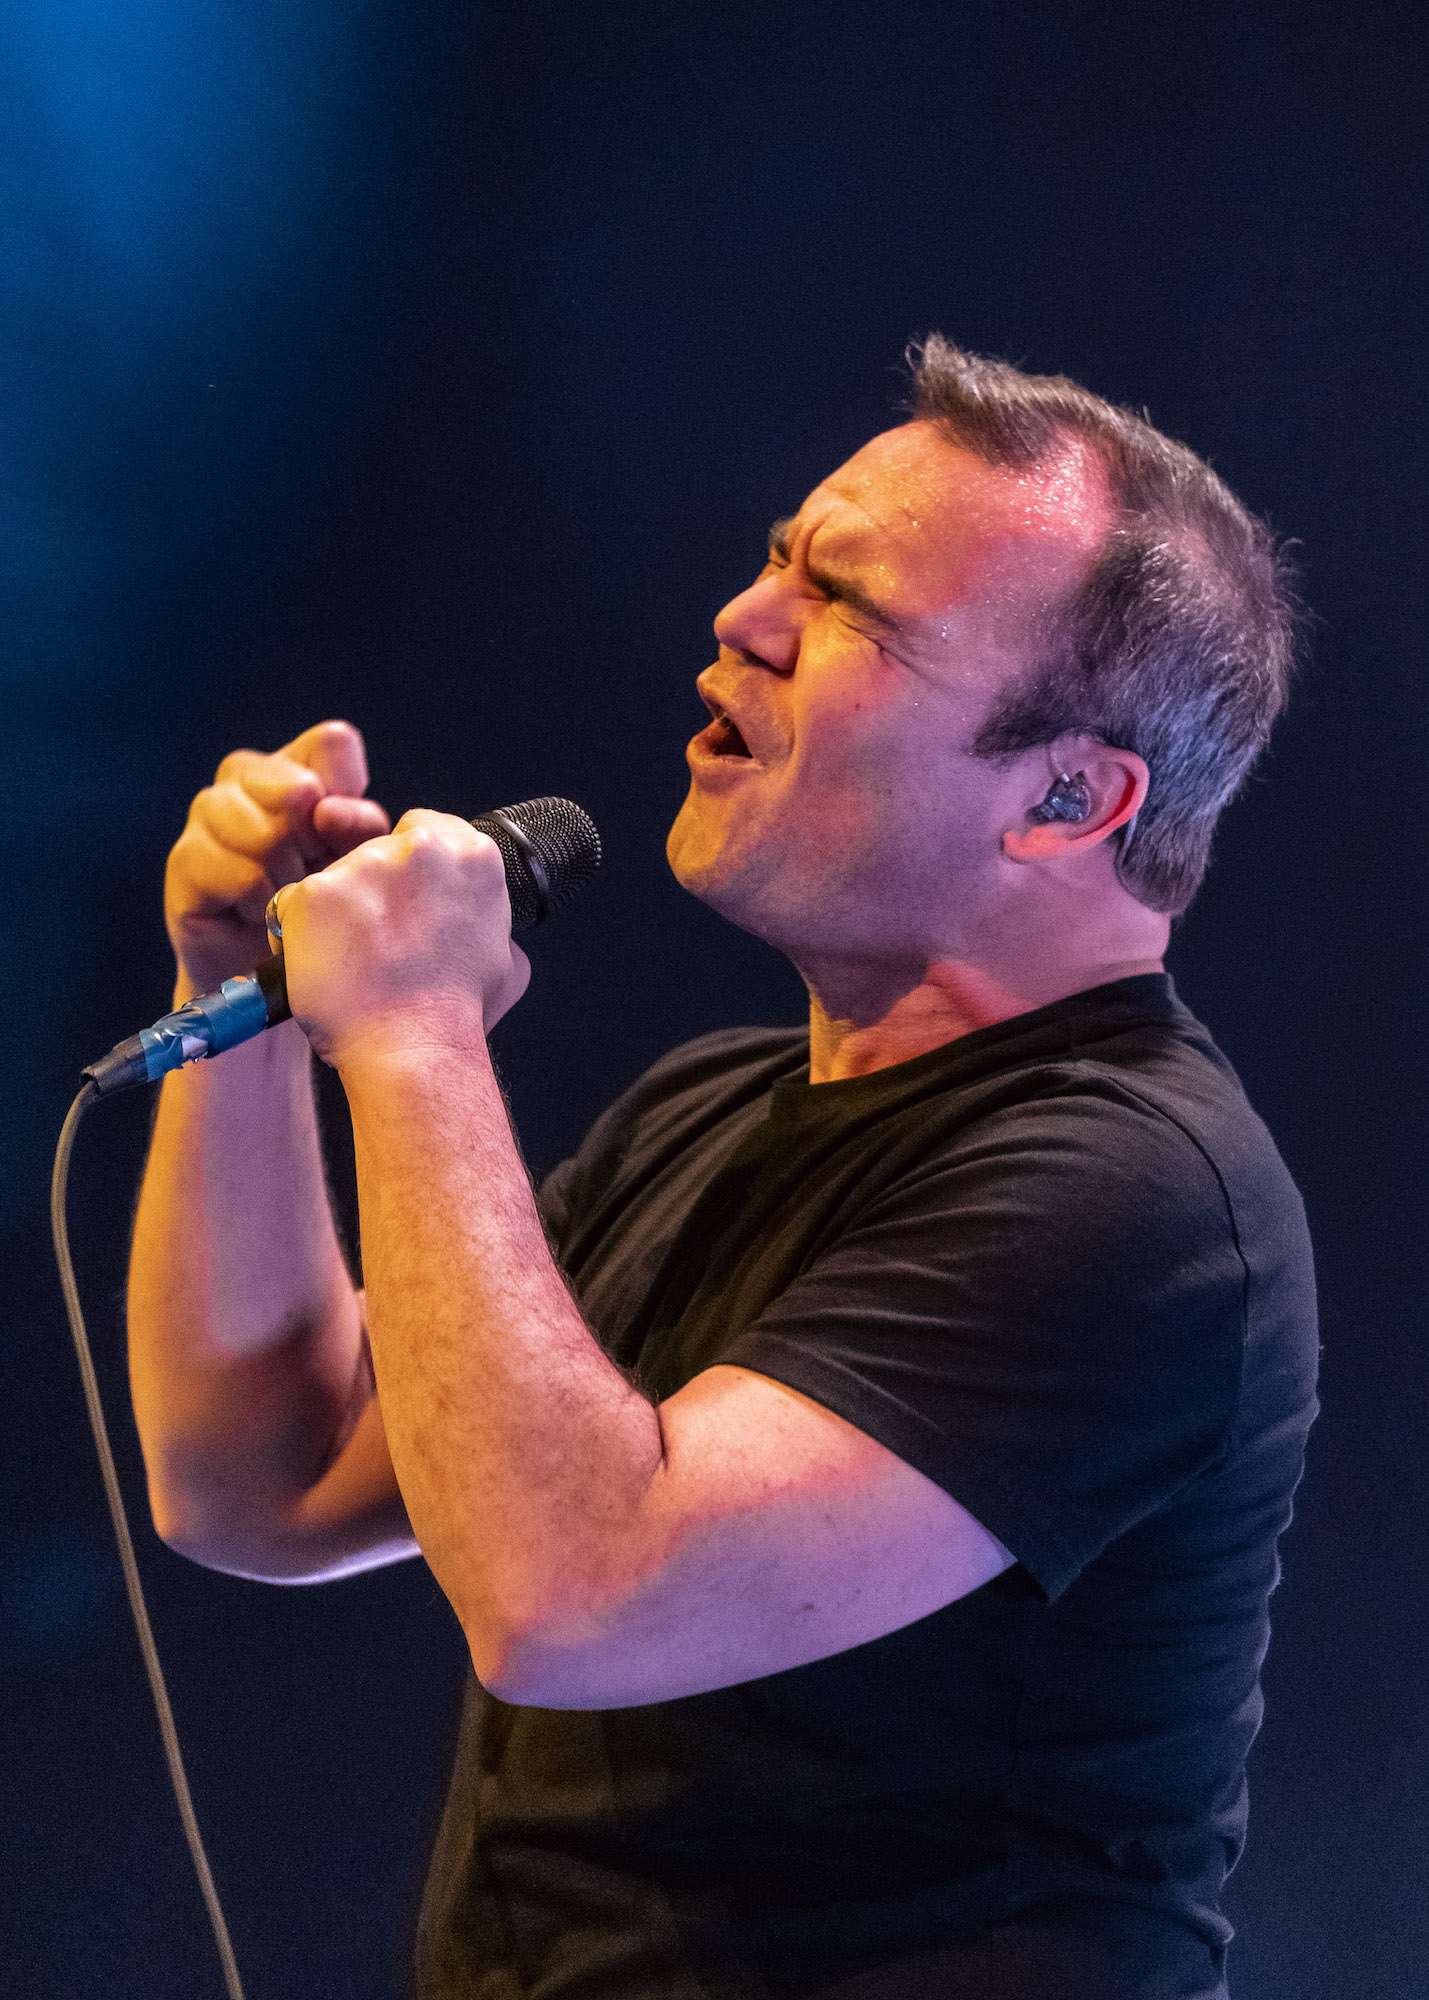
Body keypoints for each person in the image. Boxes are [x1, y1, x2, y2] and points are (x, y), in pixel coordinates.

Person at [125, 338, 1319, 1999]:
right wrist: (240, 1000)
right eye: (776, 559)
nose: (744, 619)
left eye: (849, 608)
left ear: (1067, 797)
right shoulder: (705, 1111)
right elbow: (264, 1479)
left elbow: (576, 1599)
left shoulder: (1134, 1193)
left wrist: (412, 1033)